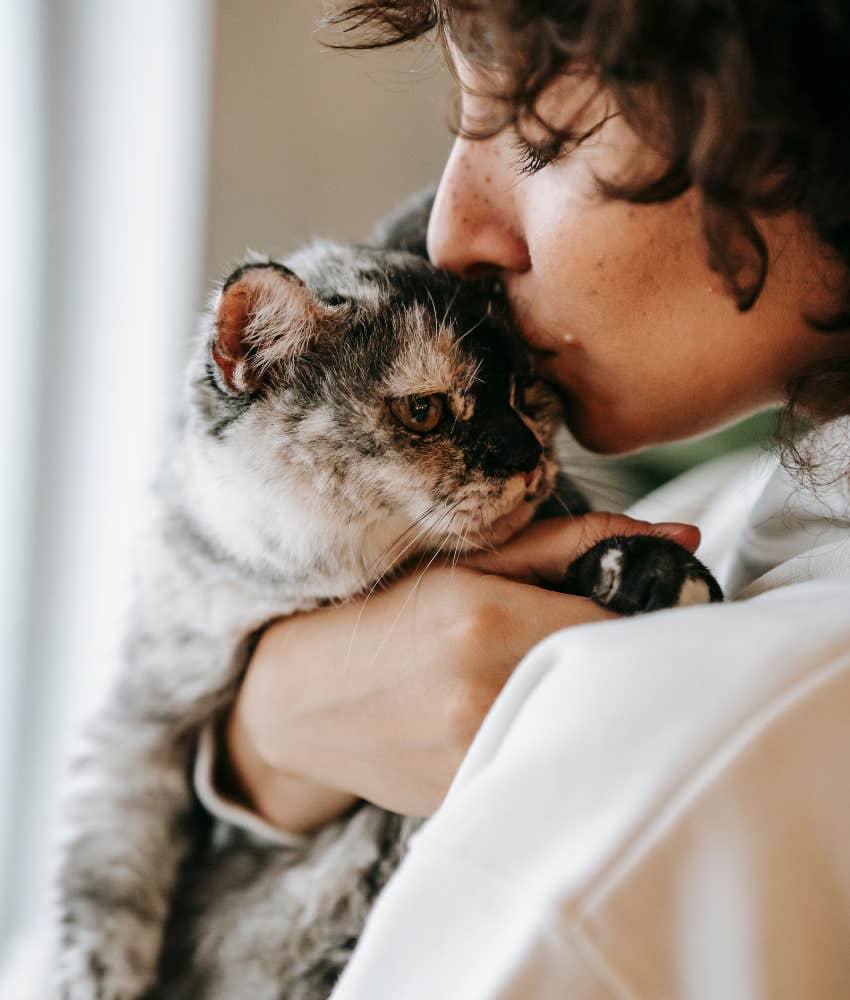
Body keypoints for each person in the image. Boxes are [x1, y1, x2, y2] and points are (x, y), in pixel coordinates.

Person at [196, 2, 850, 996]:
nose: (453, 235)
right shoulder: (733, 506)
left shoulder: (681, 774)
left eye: (542, 135)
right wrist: (274, 742)